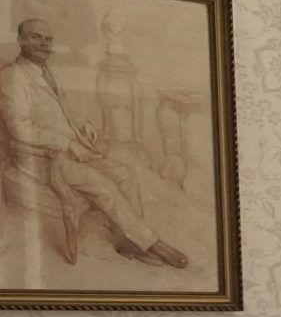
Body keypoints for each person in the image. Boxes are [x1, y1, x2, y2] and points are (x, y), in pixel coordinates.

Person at [0, 18, 189, 269]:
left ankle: (127, 242)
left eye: (48, 39)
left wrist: (83, 124)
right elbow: (20, 128)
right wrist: (68, 144)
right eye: (36, 37)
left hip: (70, 151)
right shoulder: (12, 77)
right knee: (103, 186)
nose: (44, 44)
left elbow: (62, 111)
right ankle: (153, 244)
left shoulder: (45, 72)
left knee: (126, 174)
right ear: (21, 40)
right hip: (39, 157)